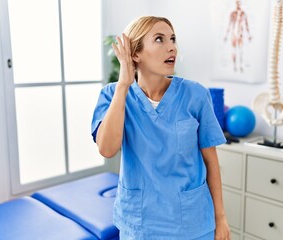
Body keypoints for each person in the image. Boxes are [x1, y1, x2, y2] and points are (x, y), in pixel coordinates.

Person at [91, 16, 231, 240]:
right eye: (159, 39)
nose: (171, 47)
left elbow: (211, 162)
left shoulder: (195, 95)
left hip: (192, 224)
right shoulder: (113, 95)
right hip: (140, 225)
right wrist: (123, 85)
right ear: (135, 54)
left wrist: (221, 218)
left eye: (173, 39)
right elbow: (107, 149)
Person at [224, 0, 252, 73]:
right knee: (234, 51)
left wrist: (249, 35)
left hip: (240, 34)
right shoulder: (233, 13)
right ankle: (234, 66)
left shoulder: (243, 13)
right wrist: (226, 35)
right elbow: (229, 25)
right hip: (234, 34)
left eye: (239, 3)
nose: (238, 4)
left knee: (240, 51)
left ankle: (240, 66)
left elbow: (246, 25)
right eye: (237, 3)